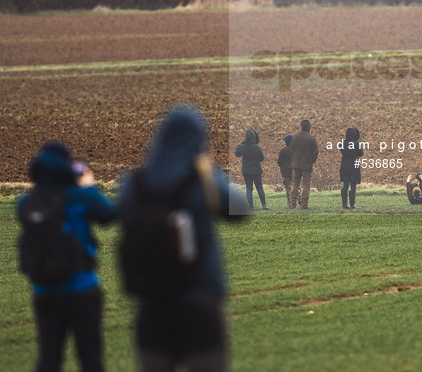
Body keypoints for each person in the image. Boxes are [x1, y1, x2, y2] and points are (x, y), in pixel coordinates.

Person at [118, 104, 249, 372]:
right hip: (199, 297)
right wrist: (210, 173)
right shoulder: (201, 179)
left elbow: (114, 213)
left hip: (151, 302)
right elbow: (240, 210)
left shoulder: (134, 182)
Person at [16, 142, 117, 372]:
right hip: (82, 288)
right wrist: (87, 187)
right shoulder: (81, 197)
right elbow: (109, 214)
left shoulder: (26, 203)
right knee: (90, 358)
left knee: (49, 359)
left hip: (44, 292)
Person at [288, 119, 319, 210]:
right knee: (306, 185)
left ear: (301, 127)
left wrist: (293, 161)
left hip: (296, 165)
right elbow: (315, 153)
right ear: (309, 128)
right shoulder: (312, 139)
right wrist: (311, 161)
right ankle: (304, 205)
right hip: (307, 166)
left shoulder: (295, 137)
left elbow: (291, 150)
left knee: (294, 184)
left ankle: (292, 204)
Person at [235, 129, 268, 210]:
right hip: (256, 170)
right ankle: (264, 205)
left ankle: (251, 206)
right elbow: (262, 158)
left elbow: (237, 154)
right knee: (259, 188)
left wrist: (239, 145)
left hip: (246, 171)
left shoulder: (243, 147)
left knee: (249, 188)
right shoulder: (257, 148)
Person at [339, 127, 364, 210]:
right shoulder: (356, 144)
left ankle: (344, 205)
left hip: (344, 165)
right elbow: (360, 153)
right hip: (354, 166)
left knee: (345, 184)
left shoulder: (342, 143)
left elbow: (341, 150)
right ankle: (352, 205)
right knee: (353, 184)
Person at [277, 134, 294, 205]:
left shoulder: (283, 150)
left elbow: (279, 161)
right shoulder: (296, 150)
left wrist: (283, 167)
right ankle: (300, 201)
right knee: (296, 187)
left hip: (285, 172)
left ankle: (290, 203)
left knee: (288, 188)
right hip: (295, 171)